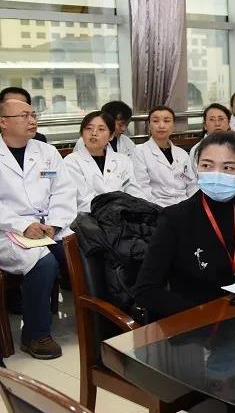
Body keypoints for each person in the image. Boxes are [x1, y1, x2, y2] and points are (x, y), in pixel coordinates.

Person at [132, 132, 235, 320]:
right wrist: (204, 315)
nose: (216, 174)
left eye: (228, 167)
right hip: (199, 322)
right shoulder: (175, 218)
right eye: (207, 166)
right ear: (197, 167)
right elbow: (146, 291)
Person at [0, 98, 74, 359]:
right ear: (3, 122)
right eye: (24, 116)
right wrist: (23, 225)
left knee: (82, 254)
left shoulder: (47, 152)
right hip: (7, 231)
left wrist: (54, 224)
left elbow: (63, 191)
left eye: (33, 115)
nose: (32, 120)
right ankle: (35, 334)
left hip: (49, 226)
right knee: (44, 264)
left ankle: (98, 321)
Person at [64, 111, 146, 213]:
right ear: (82, 133)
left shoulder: (123, 161)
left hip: (124, 215)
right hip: (88, 216)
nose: (94, 133)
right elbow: (83, 200)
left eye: (101, 129)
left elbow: (134, 191)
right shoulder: (71, 162)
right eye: (89, 128)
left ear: (111, 136)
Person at [132, 106, 197, 207]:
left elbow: (192, 184)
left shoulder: (182, 154)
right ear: (149, 125)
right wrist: (155, 209)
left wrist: (193, 205)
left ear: (173, 126)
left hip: (184, 204)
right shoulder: (140, 151)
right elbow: (142, 187)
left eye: (166, 121)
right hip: (157, 206)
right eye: (156, 121)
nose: (161, 126)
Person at [188, 103, 232, 175]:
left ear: (229, 123)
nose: (217, 124)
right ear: (205, 125)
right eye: (212, 119)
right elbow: (194, 177)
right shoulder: (197, 149)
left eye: (221, 119)